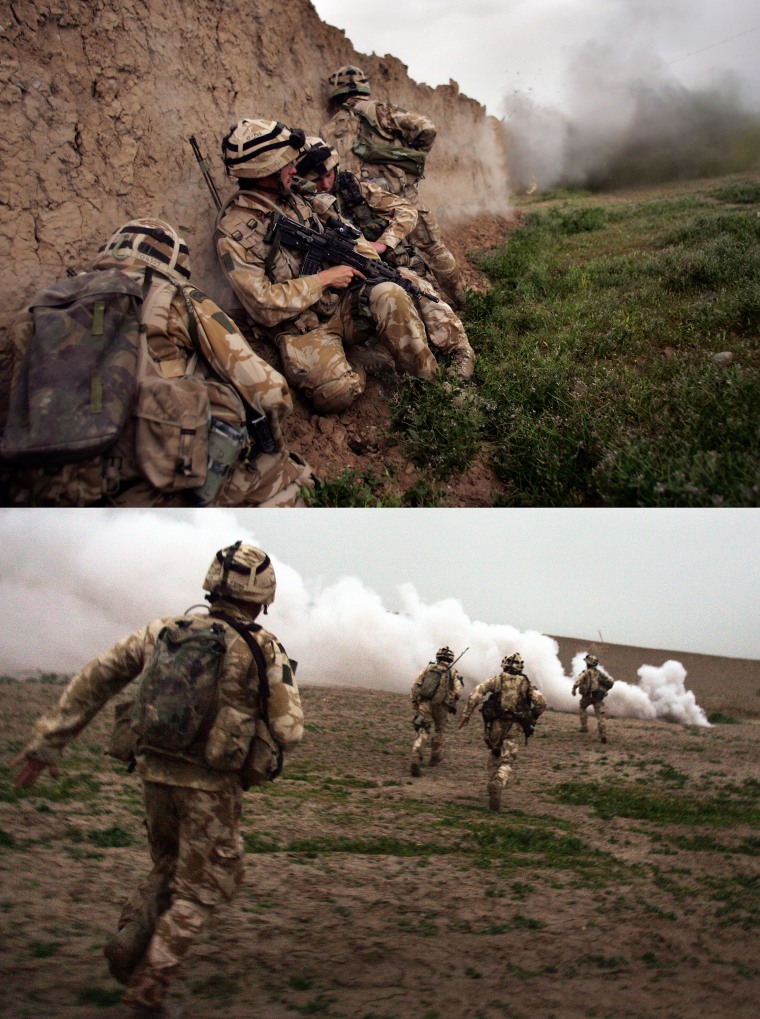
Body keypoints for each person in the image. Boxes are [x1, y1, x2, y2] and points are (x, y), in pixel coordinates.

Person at [11, 542, 304, 1018]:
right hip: (211, 786)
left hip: (152, 771)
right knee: (204, 885)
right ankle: (146, 992)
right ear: (265, 595)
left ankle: (130, 944)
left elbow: (98, 675)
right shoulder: (263, 647)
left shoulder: (163, 631)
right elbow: (291, 730)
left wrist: (50, 741)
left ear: (212, 585)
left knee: (168, 863)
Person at [1, 219, 314, 506]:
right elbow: (269, 393)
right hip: (144, 491)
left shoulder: (43, 306)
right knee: (295, 480)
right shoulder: (176, 297)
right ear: (173, 264)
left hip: (38, 492)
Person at [215, 117, 443, 415]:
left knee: (391, 293)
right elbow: (262, 306)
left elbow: (348, 233)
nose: (293, 169)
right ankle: (354, 360)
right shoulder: (233, 234)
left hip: (339, 306)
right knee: (336, 395)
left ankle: (429, 385)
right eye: (286, 164)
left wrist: (371, 264)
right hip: (301, 330)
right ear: (264, 170)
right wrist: (323, 279)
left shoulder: (301, 197)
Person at [294, 138, 475, 378]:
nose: (325, 184)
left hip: (375, 267)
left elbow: (407, 210)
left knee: (412, 283)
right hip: (340, 287)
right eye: (316, 180)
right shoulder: (300, 207)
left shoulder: (352, 187)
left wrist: (383, 243)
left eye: (328, 175)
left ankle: (457, 348)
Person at [321, 65, 467, 308]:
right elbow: (426, 128)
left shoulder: (327, 129)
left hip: (362, 209)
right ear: (363, 88)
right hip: (401, 198)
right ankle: (462, 305)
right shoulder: (380, 110)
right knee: (433, 248)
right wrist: (409, 157)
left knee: (390, 264)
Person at [458, 653, 546, 811]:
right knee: (507, 761)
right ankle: (498, 781)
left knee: (494, 753)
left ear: (504, 664)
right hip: (515, 726)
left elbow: (476, 694)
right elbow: (541, 702)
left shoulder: (496, 680)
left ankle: (492, 781)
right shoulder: (526, 684)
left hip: (496, 725)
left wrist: (466, 715)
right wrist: (534, 716)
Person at [410, 646, 464, 777]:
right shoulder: (452, 672)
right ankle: (435, 756)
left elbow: (416, 684)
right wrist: (452, 701)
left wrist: (415, 701)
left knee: (423, 729)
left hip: (425, 703)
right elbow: (458, 690)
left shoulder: (429, 668)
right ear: (450, 659)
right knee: (439, 730)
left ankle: (416, 754)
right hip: (442, 707)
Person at [572, 653, 615, 743]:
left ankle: (584, 727)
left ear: (588, 663)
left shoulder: (586, 672)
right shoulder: (599, 673)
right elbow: (610, 682)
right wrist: (605, 689)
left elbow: (578, 681)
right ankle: (603, 735)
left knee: (582, 707)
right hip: (597, 697)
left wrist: (574, 689)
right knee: (600, 717)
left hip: (587, 696)